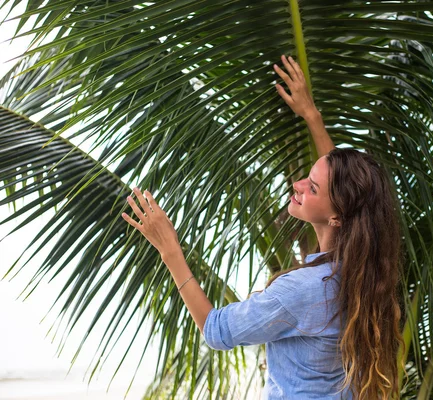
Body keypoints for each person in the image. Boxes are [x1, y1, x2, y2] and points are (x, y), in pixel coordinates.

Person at [122, 54, 406, 400]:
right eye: (308, 177)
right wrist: (312, 117)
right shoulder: (363, 273)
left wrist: (169, 248)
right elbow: (345, 191)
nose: (298, 185)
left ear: (337, 217)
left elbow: (216, 330)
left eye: (311, 188)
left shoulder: (302, 290)